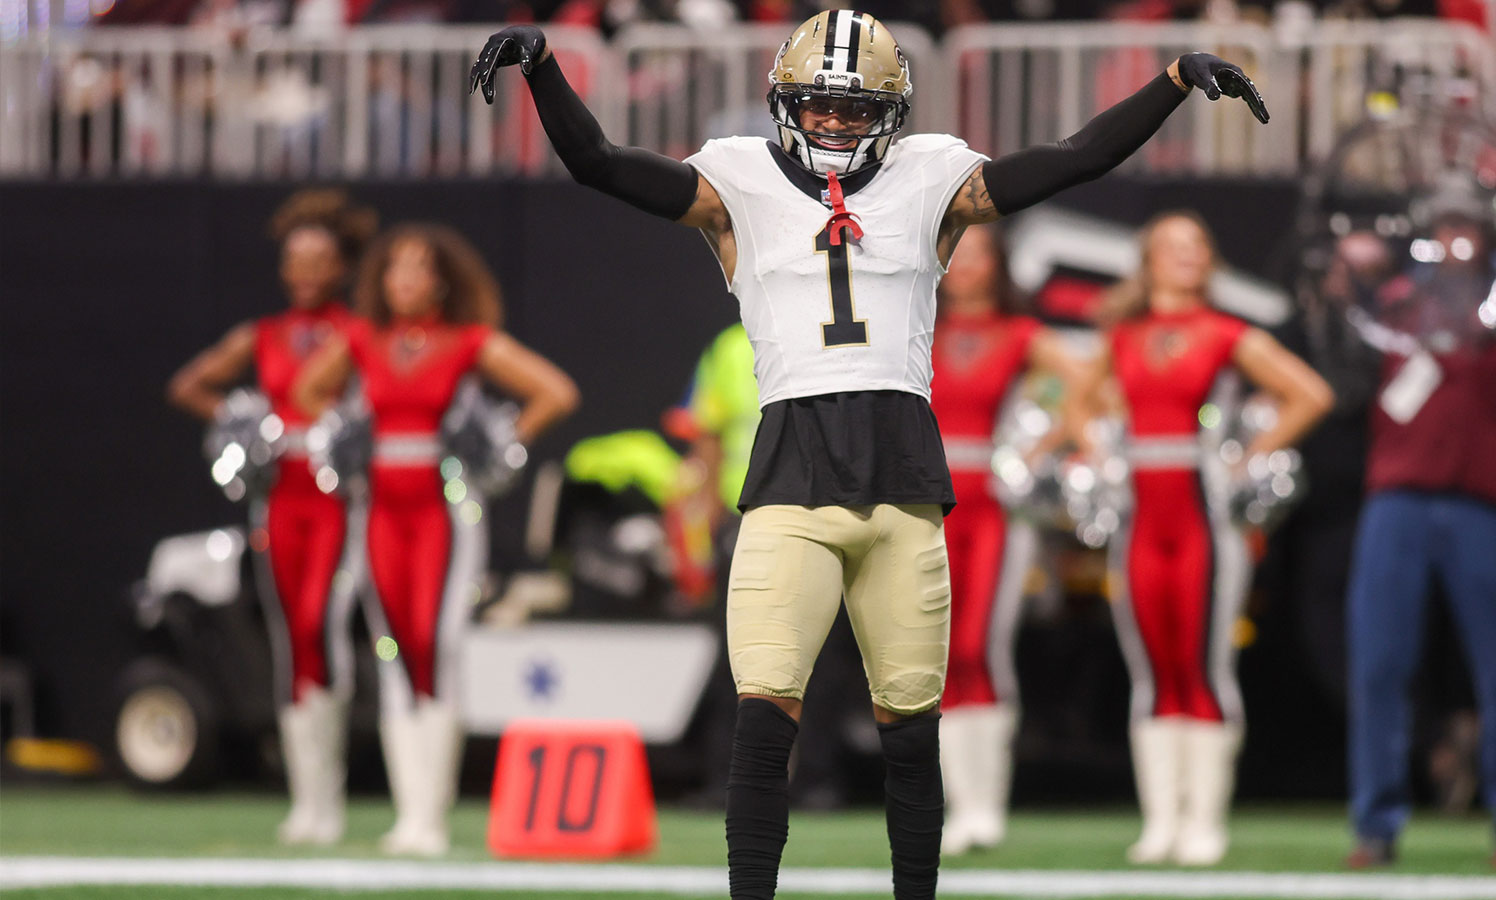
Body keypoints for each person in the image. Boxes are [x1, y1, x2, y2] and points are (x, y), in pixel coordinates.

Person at [468, 12, 1268, 897]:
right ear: (786, 103)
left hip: (903, 490)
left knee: (910, 733)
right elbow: (601, 163)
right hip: (789, 484)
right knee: (764, 722)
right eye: (819, 107)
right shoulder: (736, 180)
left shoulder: (932, 176)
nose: (836, 124)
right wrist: (544, 69)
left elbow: (1071, 155)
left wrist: (1169, 83)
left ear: (891, 110)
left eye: (855, 109)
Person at [293, 223, 579, 856]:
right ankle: (408, 815)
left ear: (443, 280)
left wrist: (500, 441)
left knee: (434, 642)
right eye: (395, 268)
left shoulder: (469, 342)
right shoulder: (363, 339)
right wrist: (345, 429)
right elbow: (307, 390)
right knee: (391, 646)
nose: (405, 280)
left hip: (443, 507)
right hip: (379, 509)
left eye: (419, 268)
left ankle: (431, 815)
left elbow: (555, 393)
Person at [1063, 211, 1333, 865]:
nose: (1187, 256)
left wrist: (1248, 457)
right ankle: (1160, 822)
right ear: (1148, 260)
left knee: (1204, 666)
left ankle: (1204, 821)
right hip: (1139, 520)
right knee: (1151, 668)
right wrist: (1098, 450)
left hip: (1204, 518)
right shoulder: (1121, 337)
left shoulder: (1226, 332)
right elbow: (1076, 402)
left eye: (1197, 247)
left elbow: (1311, 395)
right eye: (1172, 246)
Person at [1342, 190, 1496, 871]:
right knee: (1378, 665)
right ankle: (1375, 825)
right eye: (1443, 225)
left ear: (1490, 234)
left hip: (1487, 503)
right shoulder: (1395, 299)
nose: (1456, 239)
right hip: (1396, 500)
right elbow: (1339, 366)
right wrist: (1346, 279)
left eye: (1468, 226)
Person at [167, 189, 377, 847]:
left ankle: (332, 796)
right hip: (279, 493)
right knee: (291, 635)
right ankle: (306, 800)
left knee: (323, 624)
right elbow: (189, 385)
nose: (307, 271)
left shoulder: (356, 332)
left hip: (336, 495)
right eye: (296, 259)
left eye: (319, 258)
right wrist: (245, 422)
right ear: (284, 269)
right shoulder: (263, 336)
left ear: (340, 266)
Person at [929, 223, 1079, 854]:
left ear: (999, 264)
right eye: (956, 251)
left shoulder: (1022, 334)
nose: (965, 265)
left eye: (978, 253)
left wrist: (1035, 451)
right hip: (922, 503)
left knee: (978, 647)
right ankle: (954, 806)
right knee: (930, 654)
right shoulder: (915, 326)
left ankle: (985, 805)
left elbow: (1091, 387)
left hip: (991, 504)